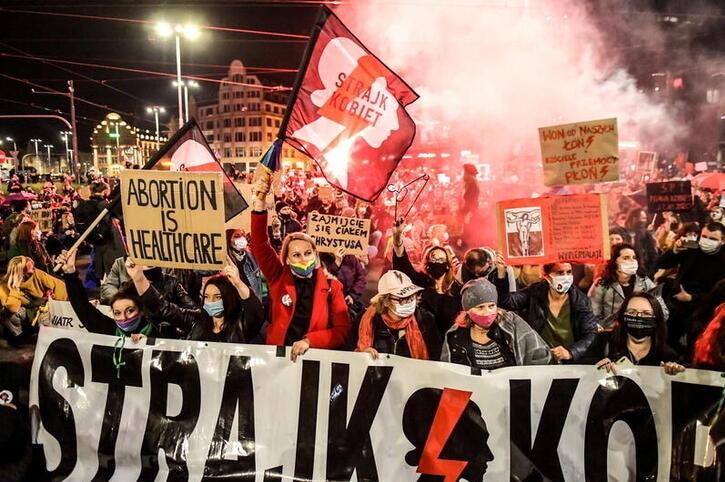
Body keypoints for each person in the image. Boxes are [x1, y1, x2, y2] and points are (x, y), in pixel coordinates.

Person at [250, 171, 351, 361]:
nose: (303, 259)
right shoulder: (278, 277)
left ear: (315, 254)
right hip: (278, 360)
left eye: (307, 253)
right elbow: (260, 244)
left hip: (313, 360)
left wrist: (310, 341)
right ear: (287, 259)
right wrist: (259, 204)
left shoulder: (333, 287)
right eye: (296, 255)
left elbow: (342, 331)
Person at [126, 256, 265, 344]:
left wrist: (238, 282)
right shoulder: (195, 320)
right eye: (206, 297)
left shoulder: (241, 324)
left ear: (229, 298)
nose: (210, 301)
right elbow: (162, 307)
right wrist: (138, 277)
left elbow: (256, 311)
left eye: (217, 297)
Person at [494, 261, 597, 363]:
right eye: (560, 273)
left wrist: (571, 352)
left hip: (569, 363)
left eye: (569, 272)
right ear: (547, 276)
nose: (566, 277)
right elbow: (506, 301)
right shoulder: (535, 292)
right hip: (539, 360)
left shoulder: (581, 301)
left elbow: (591, 334)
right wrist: (501, 273)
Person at [441, 278, 551, 368]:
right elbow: (450, 375)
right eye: (480, 307)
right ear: (468, 310)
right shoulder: (455, 336)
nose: (487, 312)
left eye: (491, 306)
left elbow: (539, 355)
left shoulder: (512, 324)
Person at [656, 221, 725, 354]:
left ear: (722, 241)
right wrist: (674, 250)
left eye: (712, 239)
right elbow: (662, 263)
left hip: (706, 309)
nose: (706, 241)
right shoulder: (691, 246)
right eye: (704, 236)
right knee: (669, 343)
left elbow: (720, 294)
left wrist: (691, 298)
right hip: (677, 304)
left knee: (695, 348)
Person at [56, 248, 156, 338]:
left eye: (130, 311)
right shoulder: (110, 331)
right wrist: (70, 272)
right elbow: (82, 308)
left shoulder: (158, 332)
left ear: (141, 310)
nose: (124, 318)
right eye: (117, 313)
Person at [391, 219, 462, 336]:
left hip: (448, 342)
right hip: (423, 339)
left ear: (448, 265)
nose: (437, 263)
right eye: (434, 259)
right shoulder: (420, 282)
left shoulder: (455, 289)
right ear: (427, 263)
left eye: (441, 260)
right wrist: (397, 237)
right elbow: (401, 262)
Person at [355, 269, 441, 360]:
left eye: (412, 296)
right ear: (386, 302)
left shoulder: (426, 319)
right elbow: (348, 353)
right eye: (402, 299)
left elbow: (435, 357)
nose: (410, 302)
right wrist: (362, 355)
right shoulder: (365, 319)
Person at [595, 292, 684, 375]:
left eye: (646, 313)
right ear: (622, 315)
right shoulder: (603, 341)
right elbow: (584, 373)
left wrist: (675, 374)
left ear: (657, 319)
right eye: (632, 312)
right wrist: (595, 369)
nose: (638, 317)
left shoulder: (668, 355)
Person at [588, 243, 663, 330]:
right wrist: (602, 327)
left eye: (634, 258)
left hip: (639, 331)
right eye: (626, 258)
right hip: (611, 333)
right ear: (614, 261)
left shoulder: (645, 282)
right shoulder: (601, 284)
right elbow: (592, 314)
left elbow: (663, 313)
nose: (632, 261)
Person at [0, 256, 67, 346]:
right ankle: (19, 336)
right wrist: (15, 288)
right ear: (22, 272)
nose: (34, 269)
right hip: (26, 310)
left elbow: (60, 286)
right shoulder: (5, 285)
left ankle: (41, 334)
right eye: (31, 267)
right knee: (4, 313)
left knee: (47, 327)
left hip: (43, 307)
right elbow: (12, 308)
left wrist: (57, 304)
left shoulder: (37, 274)